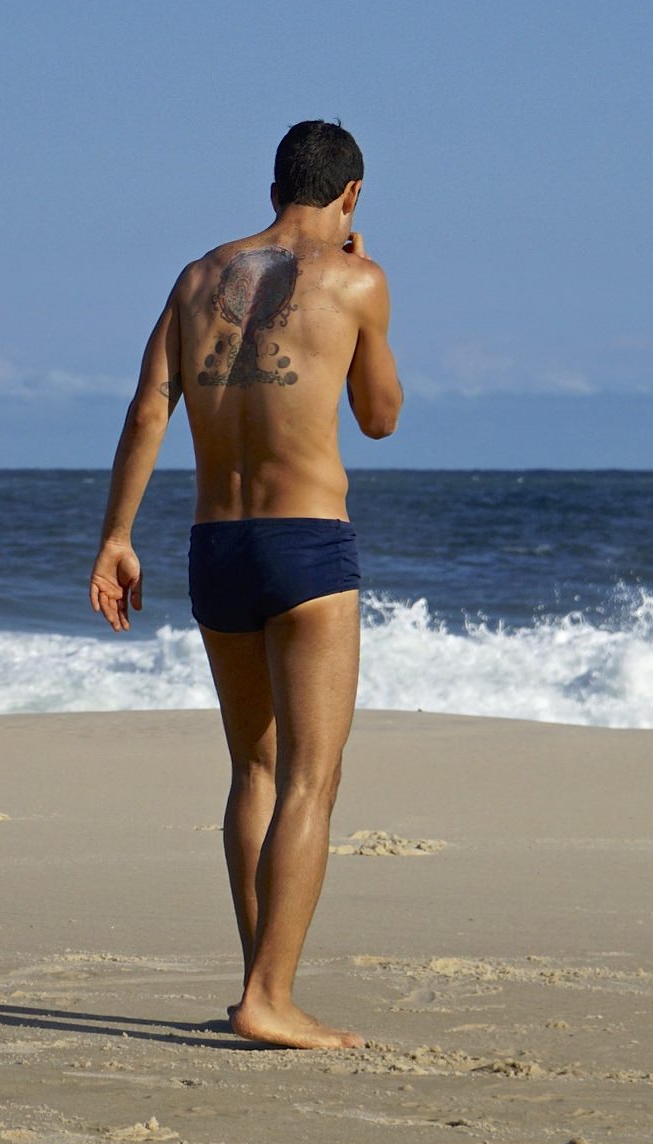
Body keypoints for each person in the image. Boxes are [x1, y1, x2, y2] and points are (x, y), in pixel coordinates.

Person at [88, 120, 402, 1049]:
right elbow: (380, 418)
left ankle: (257, 976)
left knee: (254, 768)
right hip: (305, 545)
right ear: (352, 193)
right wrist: (368, 297)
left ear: (273, 185)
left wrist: (115, 536)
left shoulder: (196, 279)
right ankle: (269, 995)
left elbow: (151, 405)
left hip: (213, 545)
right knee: (313, 775)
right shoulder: (356, 279)